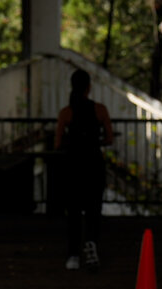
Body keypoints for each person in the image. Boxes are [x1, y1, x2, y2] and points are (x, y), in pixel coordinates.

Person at [55, 69, 114, 270]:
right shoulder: (100, 110)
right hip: (94, 165)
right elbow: (109, 138)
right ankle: (91, 248)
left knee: (73, 211)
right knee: (93, 209)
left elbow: (57, 142)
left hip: (73, 166)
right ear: (89, 87)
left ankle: (73, 254)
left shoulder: (66, 112)